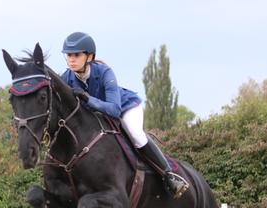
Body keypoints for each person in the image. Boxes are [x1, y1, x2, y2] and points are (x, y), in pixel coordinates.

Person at [60, 32, 189, 198]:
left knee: (135, 134)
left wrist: (88, 99)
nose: (71, 59)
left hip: (125, 108)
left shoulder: (105, 72)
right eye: (69, 55)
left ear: (89, 56)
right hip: (98, 117)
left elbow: (114, 109)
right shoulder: (66, 78)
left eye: (76, 55)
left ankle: (169, 175)